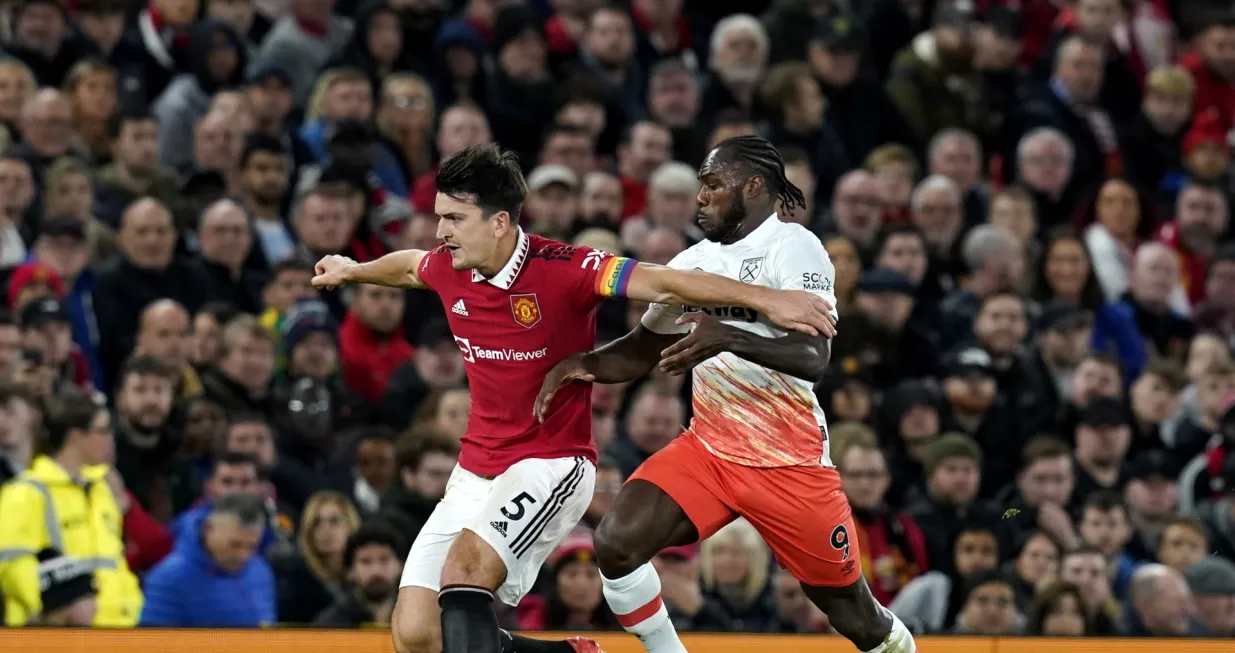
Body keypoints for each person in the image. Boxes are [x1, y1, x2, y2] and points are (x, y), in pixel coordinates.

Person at [309, 143, 837, 653]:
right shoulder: (450, 266)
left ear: (499, 222)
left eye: (454, 219)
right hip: (474, 470)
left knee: (465, 574)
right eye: (440, 216)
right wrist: (353, 270)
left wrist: (768, 299)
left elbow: (661, 282)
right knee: (418, 636)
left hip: (551, 463)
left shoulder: (566, 269)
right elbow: (407, 266)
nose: (440, 232)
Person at [535, 136, 916, 653]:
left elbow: (814, 359)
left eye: (713, 185)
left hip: (789, 464)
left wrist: (728, 337)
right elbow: (642, 350)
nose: (701, 197)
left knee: (857, 618)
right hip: (709, 451)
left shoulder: (796, 247)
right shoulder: (692, 262)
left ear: (753, 187)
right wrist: (578, 365)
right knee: (616, 543)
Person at [0, 391, 143, 626]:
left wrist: (133, 607)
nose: (110, 439)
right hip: (55, 633)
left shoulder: (100, 490)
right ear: (76, 436)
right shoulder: (26, 493)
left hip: (118, 628)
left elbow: (112, 561)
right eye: (103, 430)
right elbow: (13, 567)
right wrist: (56, 610)